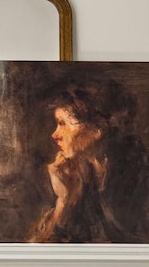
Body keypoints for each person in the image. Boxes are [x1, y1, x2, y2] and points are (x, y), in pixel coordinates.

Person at [27, 78, 149, 243]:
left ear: (96, 130)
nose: (54, 135)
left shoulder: (138, 169)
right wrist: (64, 200)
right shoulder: (75, 171)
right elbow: (40, 246)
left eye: (63, 124)